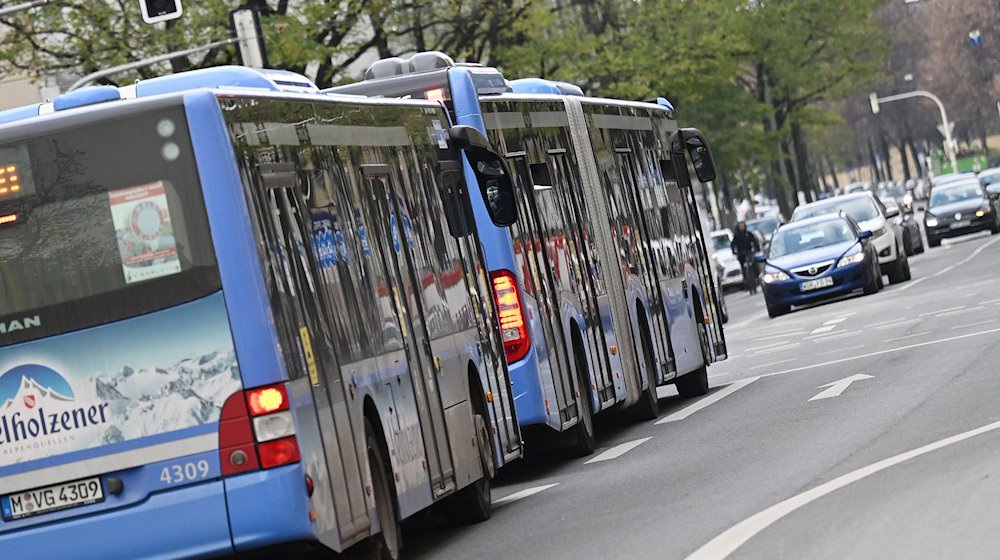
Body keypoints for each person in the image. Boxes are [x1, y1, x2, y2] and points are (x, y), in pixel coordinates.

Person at [730, 221, 761, 295]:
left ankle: (757, 276)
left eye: (742, 226)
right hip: (741, 254)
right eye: (740, 226)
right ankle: (746, 279)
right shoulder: (737, 236)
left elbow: (754, 241)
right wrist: (734, 251)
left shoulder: (748, 234)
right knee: (743, 267)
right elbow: (733, 244)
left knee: (754, 264)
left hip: (749, 252)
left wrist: (756, 248)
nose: (742, 227)